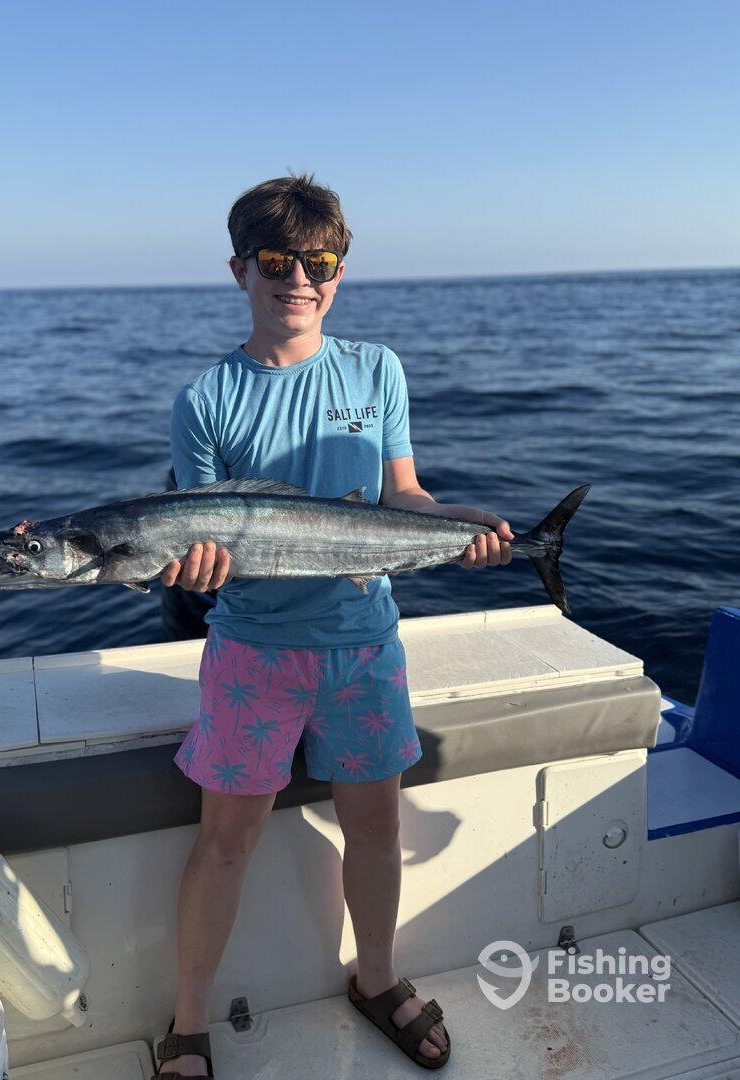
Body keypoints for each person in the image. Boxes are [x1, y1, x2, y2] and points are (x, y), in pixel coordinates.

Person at [155, 172, 513, 1077]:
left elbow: (405, 494)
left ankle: (377, 978)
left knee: (377, 827)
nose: (299, 278)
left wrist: (452, 530)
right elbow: (197, 534)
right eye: (277, 260)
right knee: (226, 838)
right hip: (252, 654)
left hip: (363, 648)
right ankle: (188, 1022)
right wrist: (195, 566)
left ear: (340, 271)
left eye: (319, 261)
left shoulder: (377, 368)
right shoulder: (206, 401)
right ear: (240, 269)